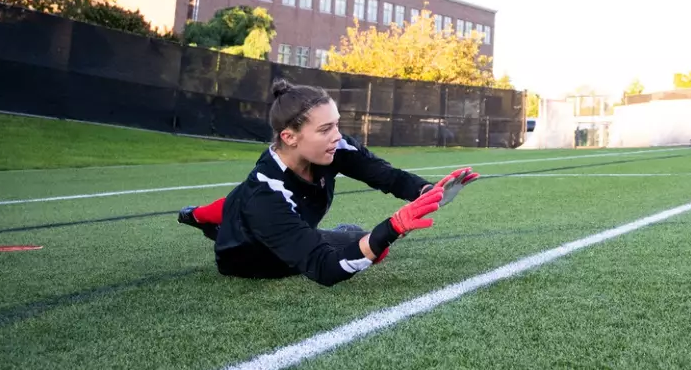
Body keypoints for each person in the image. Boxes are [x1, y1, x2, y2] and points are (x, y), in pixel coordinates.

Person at [178, 81, 480, 286]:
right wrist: (393, 227)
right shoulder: (265, 195)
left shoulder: (333, 148)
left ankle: (198, 215)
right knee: (373, 247)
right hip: (251, 257)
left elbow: (384, 174)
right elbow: (324, 268)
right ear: (289, 137)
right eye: (325, 129)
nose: (337, 135)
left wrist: (428, 191)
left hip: (265, 211)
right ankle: (200, 216)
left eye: (336, 124)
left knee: (369, 245)